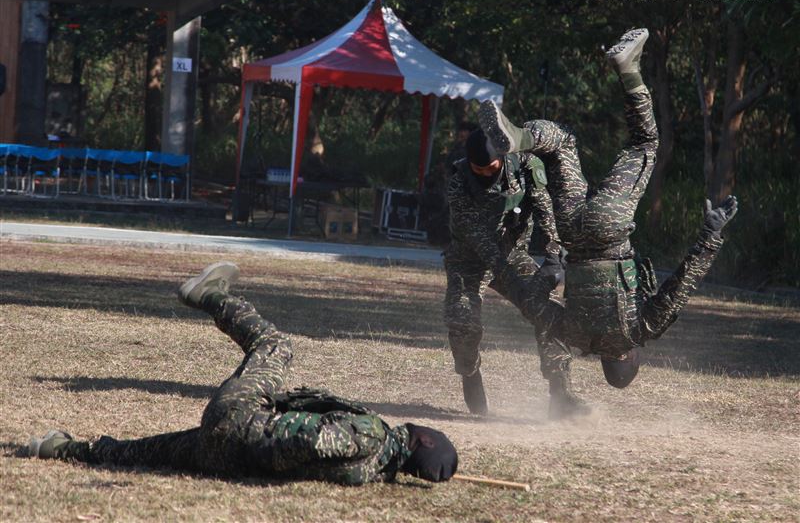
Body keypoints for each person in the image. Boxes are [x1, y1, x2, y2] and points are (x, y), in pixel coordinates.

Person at [29, 263, 458, 486]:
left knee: (275, 347)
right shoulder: (373, 470)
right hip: (225, 457)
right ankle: (62, 449)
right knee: (148, 453)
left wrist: (257, 427)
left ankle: (210, 295)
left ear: (423, 439)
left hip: (241, 426)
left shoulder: (370, 435)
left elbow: (303, 440)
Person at [478, 28, 738, 389]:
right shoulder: (574, 337)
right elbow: (532, 306)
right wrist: (507, 275)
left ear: (630, 358)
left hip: (609, 229)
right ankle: (520, 138)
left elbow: (682, 284)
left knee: (645, 142)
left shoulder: (639, 331)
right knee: (562, 144)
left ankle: (628, 66)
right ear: (604, 363)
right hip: (570, 231)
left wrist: (710, 235)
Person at [444, 123, 584, 419]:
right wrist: (507, 276)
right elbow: (476, 237)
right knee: (461, 318)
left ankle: (561, 394)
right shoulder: (458, 179)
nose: (484, 173)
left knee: (547, 311)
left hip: (512, 253)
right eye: (477, 169)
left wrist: (553, 256)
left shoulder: (525, 166)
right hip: (469, 258)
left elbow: (544, 208)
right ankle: (470, 373)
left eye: (490, 167)